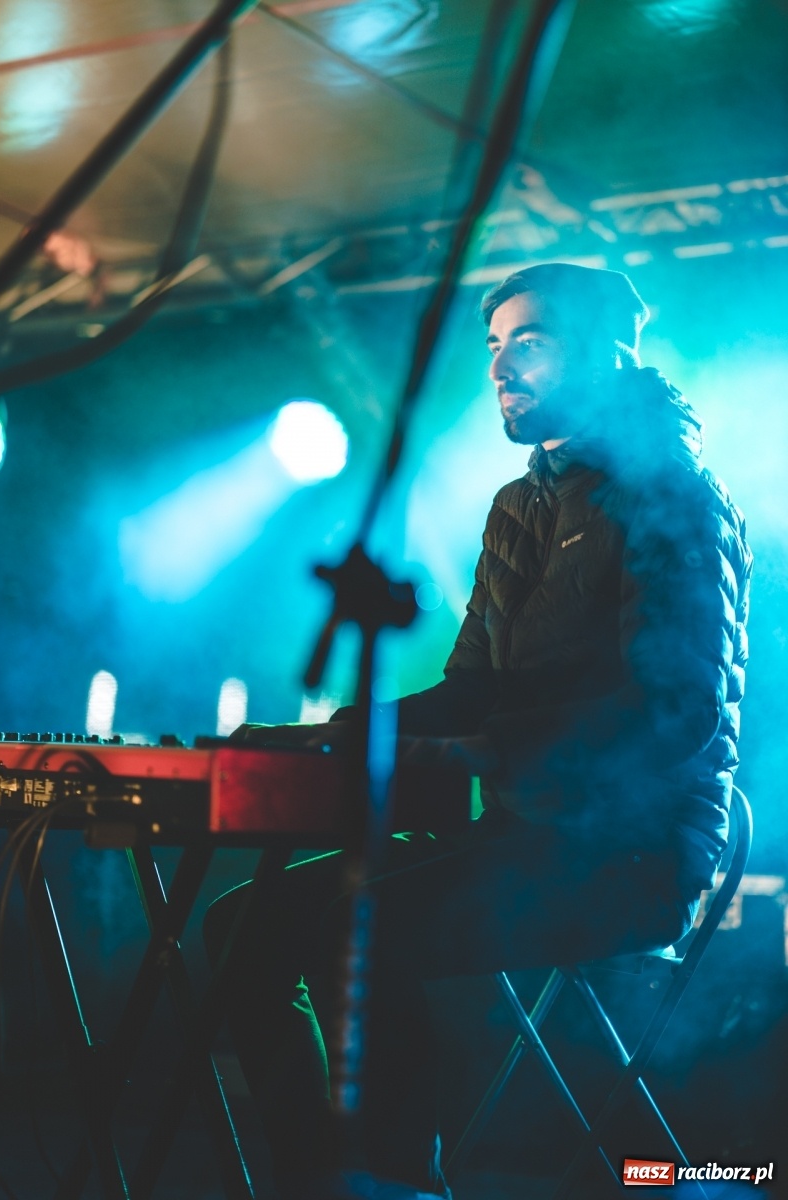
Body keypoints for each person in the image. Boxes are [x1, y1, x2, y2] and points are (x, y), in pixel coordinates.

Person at [204, 263, 752, 1200]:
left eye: (530, 342)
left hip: (635, 854)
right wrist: (335, 734)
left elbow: (677, 710)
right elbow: (470, 690)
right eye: (495, 346)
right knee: (241, 929)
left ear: (609, 351)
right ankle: (322, 1179)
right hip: (522, 829)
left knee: (347, 929)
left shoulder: (676, 498)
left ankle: (393, 1181)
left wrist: (487, 753)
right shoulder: (519, 506)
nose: (503, 367)